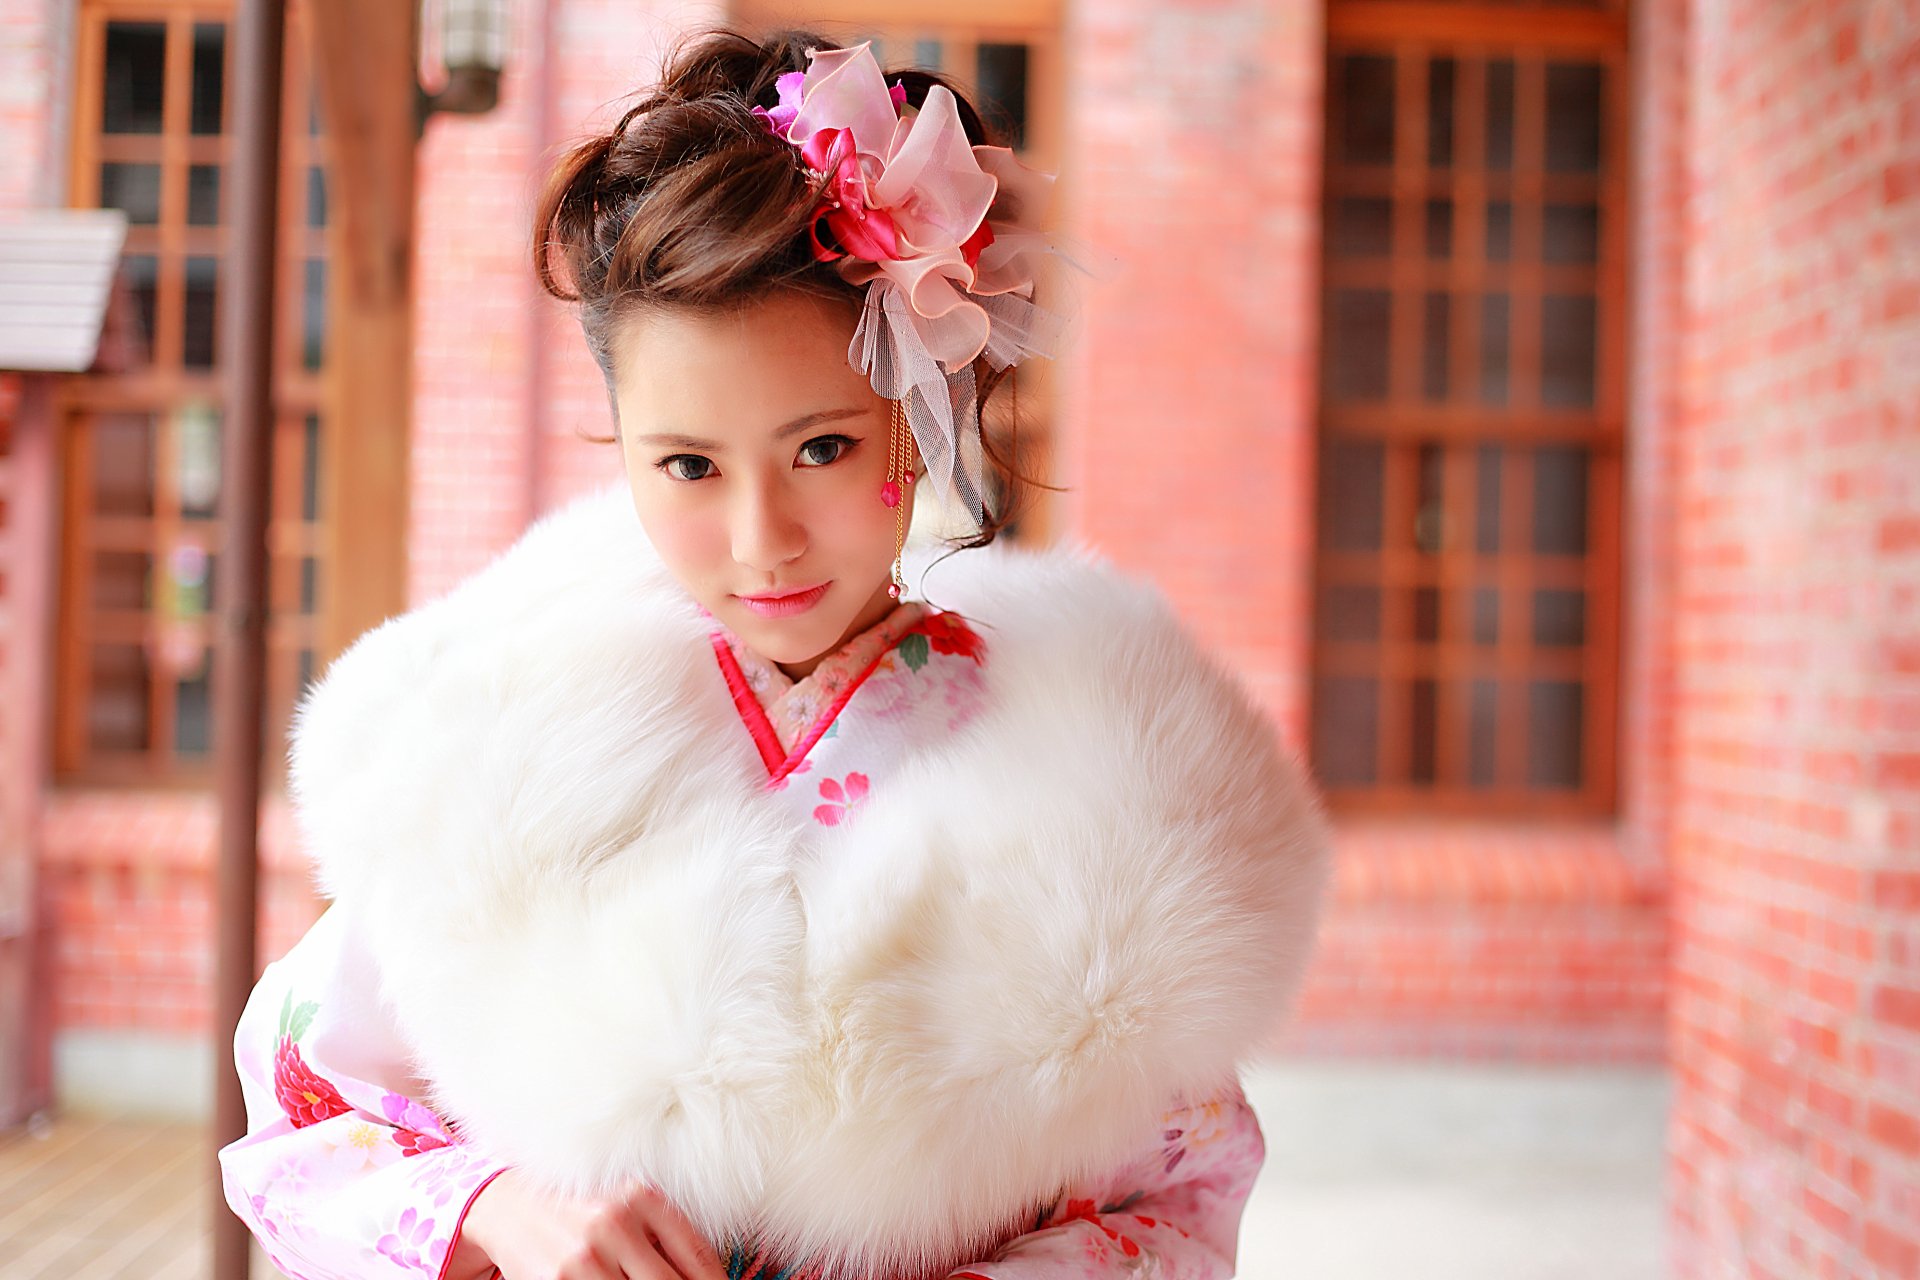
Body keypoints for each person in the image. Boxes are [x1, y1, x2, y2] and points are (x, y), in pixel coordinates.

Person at [219, 27, 1331, 1280]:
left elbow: (1182, 1200)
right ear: (627, 448)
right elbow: (307, 1108)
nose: (762, 542)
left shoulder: (1104, 795)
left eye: (822, 449)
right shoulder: (506, 747)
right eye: (688, 465)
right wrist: (490, 1202)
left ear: (918, 421)